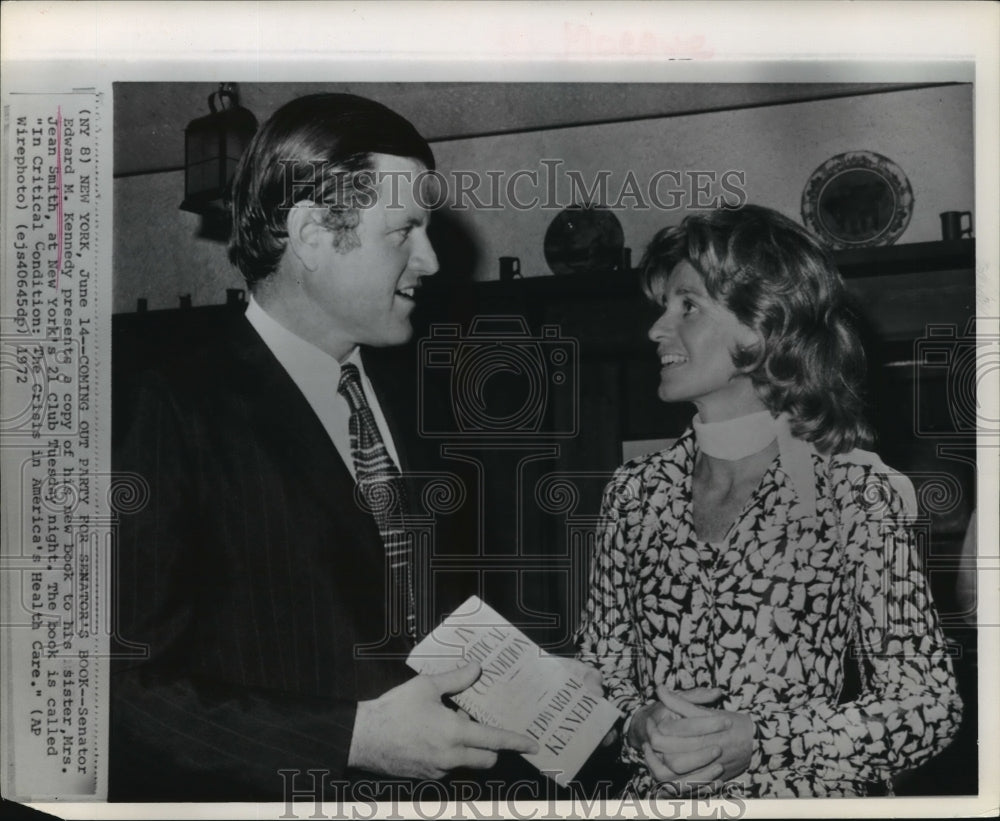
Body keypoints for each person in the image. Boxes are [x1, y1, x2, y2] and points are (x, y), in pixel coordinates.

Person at [109, 93, 541, 801]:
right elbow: (115, 692)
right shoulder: (169, 406)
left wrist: (543, 693)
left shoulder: (422, 401)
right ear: (311, 233)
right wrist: (352, 738)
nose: (430, 258)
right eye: (403, 231)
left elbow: (429, 626)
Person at [575, 204, 962, 797]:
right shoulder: (634, 492)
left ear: (761, 326)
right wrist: (634, 724)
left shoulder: (855, 491)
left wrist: (764, 738)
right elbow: (599, 678)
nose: (656, 329)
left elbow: (928, 709)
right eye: (662, 308)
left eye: (688, 306)